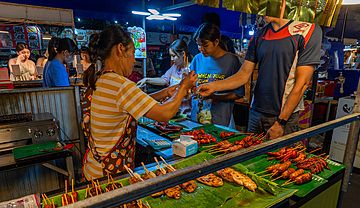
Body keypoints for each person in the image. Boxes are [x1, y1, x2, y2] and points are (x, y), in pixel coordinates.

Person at [81, 25, 196, 180]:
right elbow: (164, 114)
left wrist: (165, 92)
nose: (134, 60)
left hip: (93, 168)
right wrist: (183, 87)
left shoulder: (100, 78)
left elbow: (129, 103)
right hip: (109, 175)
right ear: (120, 49)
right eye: (133, 53)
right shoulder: (121, 85)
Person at [198, 17, 322, 140]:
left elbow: (302, 84)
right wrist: (212, 86)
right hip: (256, 113)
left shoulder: (307, 30)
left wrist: (281, 122)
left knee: (280, 158)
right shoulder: (260, 35)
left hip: (283, 116)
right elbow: (243, 75)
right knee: (250, 157)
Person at [191, 23, 244, 127]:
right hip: (196, 118)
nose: (201, 49)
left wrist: (214, 96)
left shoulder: (232, 61)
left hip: (220, 121)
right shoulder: (197, 59)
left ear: (216, 42)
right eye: (199, 45)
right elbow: (191, 86)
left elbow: (238, 94)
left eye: (205, 45)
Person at [137, 39, 193, 116]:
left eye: (174, 56)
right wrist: (146, 80)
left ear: (183, 54)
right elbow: (164, 80)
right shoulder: (174, 67)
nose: (172, 59)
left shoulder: (192, 69)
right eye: (171, 56)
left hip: (186, 112)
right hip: (172, 110)